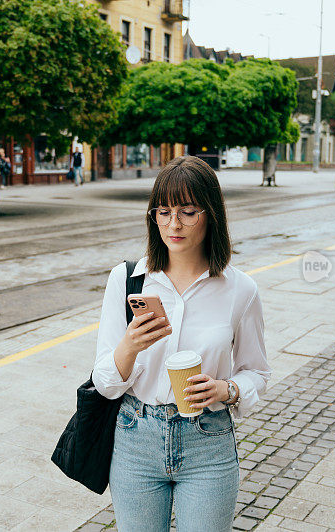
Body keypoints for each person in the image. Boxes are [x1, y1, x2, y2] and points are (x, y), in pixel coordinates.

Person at [93, 156, 271, 532]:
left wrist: (228, 389)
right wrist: (129, 345)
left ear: (211, 215)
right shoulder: (127, 281)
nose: (173, 224)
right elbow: (105, 384)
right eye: (163, 211)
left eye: (188, 212)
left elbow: (257, 371)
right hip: (135, 438)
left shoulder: (240, 289)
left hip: (208, 442)